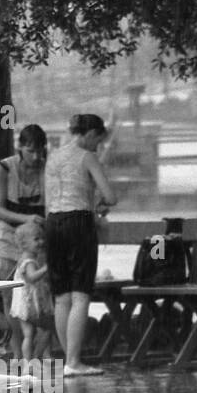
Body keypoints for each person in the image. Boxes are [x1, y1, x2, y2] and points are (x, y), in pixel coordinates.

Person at [44, 113, 116, 378]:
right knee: (80, 293)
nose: (98, 144)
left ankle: (69, 359)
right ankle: (74, 362)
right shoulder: (87, 157)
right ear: (87, 134)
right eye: (97, 138)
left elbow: (48, 199)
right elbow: (110, 196)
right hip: (79, 222)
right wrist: (98, 206)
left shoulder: (53, 158)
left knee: (61, 296)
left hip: (53, 223)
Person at [0, 124, 48, 355]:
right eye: (31, 151)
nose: (36, 157)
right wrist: (27, 217)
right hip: (7, 235)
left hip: (35, 239)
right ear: (20, 148)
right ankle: (16, 353)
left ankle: (39, 352)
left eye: (40, 151)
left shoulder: (46, 169)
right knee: (11, 297)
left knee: (41, 293)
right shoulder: (4, 168)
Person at [8, 219, 53, 360]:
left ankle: (27, 364)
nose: (41, 242)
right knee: (47, 329)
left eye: (42, 238)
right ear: (24, 244)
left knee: (28, 334)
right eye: (36, 239)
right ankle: (36, 357)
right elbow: (32, 277)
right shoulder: (29, 261)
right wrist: (46, 268)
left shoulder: (22, 259)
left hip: (22, 305)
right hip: (31, 304)